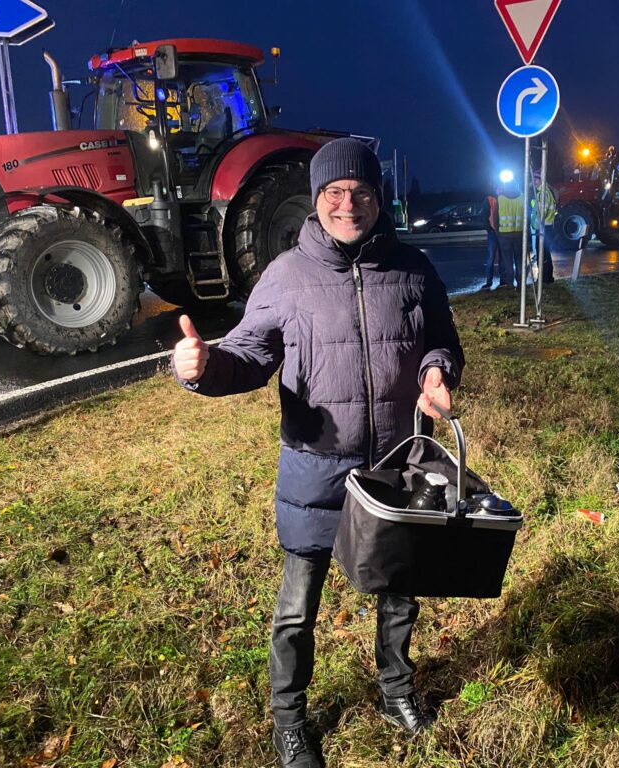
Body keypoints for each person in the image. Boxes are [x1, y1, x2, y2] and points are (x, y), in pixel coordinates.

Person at [172, 138, 464, 768]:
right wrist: (203, 367)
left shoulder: (413, 270)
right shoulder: (286, 276)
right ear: (316, 200)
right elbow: (248, 355)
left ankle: (395, 689)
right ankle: (289, 720)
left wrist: (437, 373)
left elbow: (442, 341)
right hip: (316, 467)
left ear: (378, 199)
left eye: (360, 192)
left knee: (399, 589)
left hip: (397, 462)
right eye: (334, 193)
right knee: (297, 608)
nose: (347, 204)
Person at [496, 182, 524, 289]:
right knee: (519, 259)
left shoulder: (500, 198)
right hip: (519, 233)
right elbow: (527, 216)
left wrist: (498, 233)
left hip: (504, 234)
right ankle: (520, 282)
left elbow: (496, 217)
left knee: (507, 260)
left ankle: (510, 283)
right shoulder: (522, 198)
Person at [531, 171, 556, 284]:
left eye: (536, 179)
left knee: (542, 254)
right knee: (546, 253)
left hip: (543, 228)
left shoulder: (542, 194)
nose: (534, 182)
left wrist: (534, 224)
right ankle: (548, 277)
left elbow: (541, 214)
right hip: (548, 227)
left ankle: (544, 278)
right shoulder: (547, 192)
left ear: (541, 180)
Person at [480, 187, 501, 290]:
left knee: (503, 257)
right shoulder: (489, 199)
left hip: (502, 232)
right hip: (493, 231)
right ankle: (488, 281)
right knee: (491, 258)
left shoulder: (504, 197)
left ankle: (504, 280)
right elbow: (484, 215)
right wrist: (488, 229)